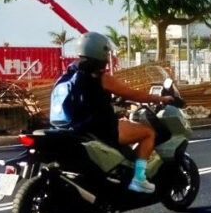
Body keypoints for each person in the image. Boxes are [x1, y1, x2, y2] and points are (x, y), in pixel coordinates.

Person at [71, 32, 174, 193]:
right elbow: (134, 94)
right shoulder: (102, 78)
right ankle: (139, 179)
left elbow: (88, 99)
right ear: (100, 52)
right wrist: (160, 99)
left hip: (78, 126)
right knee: (148, 133)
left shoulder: (71, 73)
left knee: (124, 123)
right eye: (106, 52)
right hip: (100, 129)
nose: (107, 56)